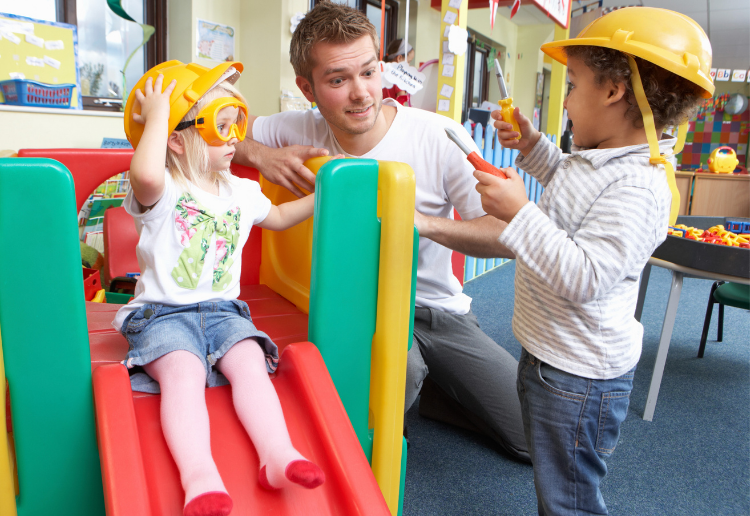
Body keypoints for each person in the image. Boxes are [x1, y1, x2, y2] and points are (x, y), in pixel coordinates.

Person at [234, 1, 530, 462]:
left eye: (369, 72)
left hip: (434, 309)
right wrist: (259, 154)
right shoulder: (295, 127)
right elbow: (207, 133)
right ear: (307, 88)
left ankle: (435, 389)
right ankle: (410, 389)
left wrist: (422, 223)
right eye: (338, 80)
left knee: (530, 439)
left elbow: (508, 235)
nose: (362, 94)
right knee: (388, 393)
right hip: (353, 309)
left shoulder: (439, 136)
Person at [474, 7, 712, 514]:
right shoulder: (601, 159)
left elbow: (584, 277)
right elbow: (570, 183)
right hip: (553, 358)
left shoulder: (637, 186)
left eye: (573, 85)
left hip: (578, 379)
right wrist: (532, 144)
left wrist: (519, 213)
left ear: (613, 92)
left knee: (569, 499)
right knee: (556, 486)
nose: (565, 101)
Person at [117, 60, 325, 516]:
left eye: (238, 124)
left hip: (223, 312)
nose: (235, 138)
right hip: (163, 314)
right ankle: (199, 477)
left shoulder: (241, 191)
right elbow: (145, 174)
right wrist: (158, 115)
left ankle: (277, 454)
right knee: (183, 372)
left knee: (250, 362)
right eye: (221, 126)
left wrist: (325, 195)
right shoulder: (165, 189)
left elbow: (279, 217)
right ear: (177, 138)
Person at [382, 38, 415, 105]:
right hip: (393, 111)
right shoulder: (399, 78)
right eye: (408, 61)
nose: (408, 65)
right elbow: (401, 104)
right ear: (399, 58)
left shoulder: (381, 73)